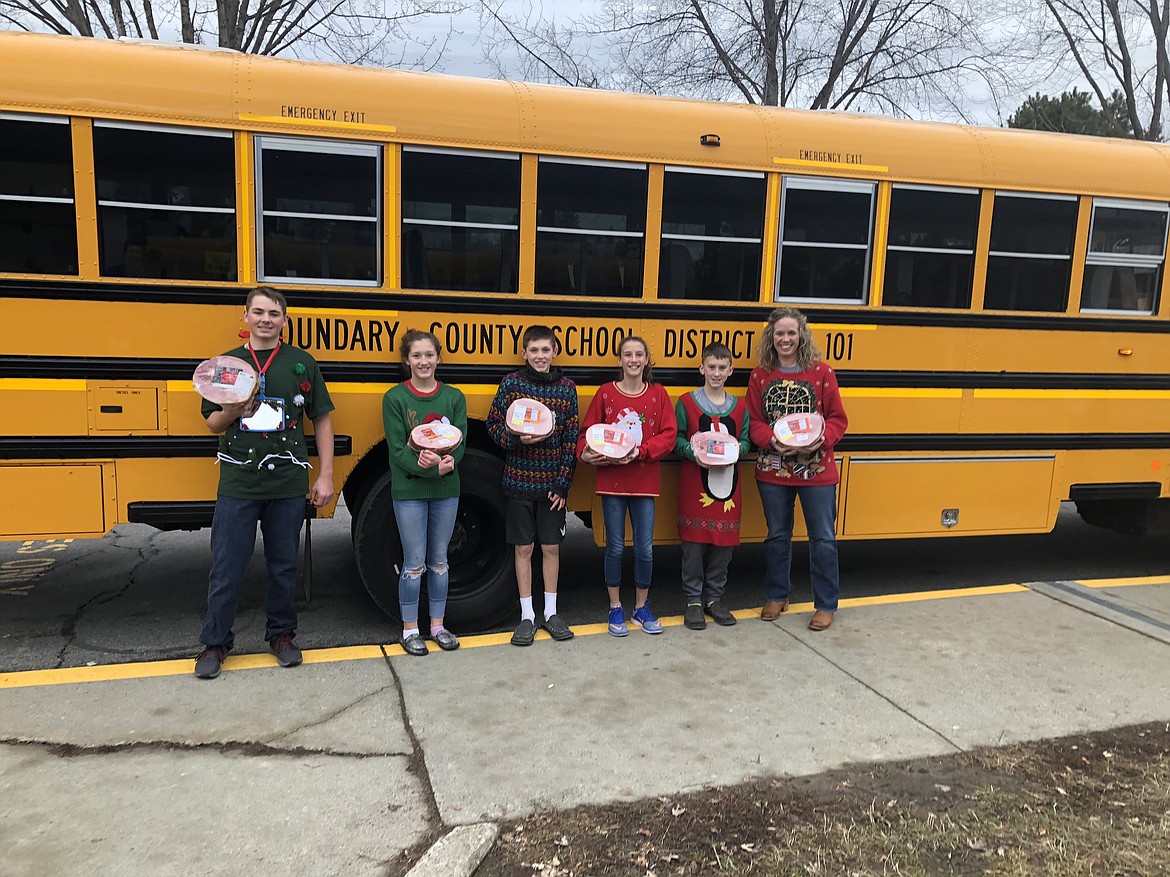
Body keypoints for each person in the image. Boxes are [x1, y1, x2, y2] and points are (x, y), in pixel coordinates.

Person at [194, 287, 335, 679]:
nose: (266, 319)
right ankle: (215, 641)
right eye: (258, 312)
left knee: (283, 566)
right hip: (239, 481)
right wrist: (233, 409)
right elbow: (211, 423)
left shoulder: (302, 363)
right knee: (227, 566)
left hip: (288, 482)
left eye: (274, 313)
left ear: (284, 320)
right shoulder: (227, 364)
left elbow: (321, 419)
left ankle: (281, 634)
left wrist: (325, 474)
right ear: (245, 316)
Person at [747, 307, 848, 631]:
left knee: (823, 538)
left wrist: (819, 441)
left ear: (801, 335)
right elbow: (755, 422)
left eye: (791, 333)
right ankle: (777, 594)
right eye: (779, 333)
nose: (785, 339)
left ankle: (826, 603)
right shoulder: (760, 375)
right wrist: (773, 442)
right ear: (771, 337)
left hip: (817, 470)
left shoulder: (821, 372)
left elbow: (837, 420)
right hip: (773, 468)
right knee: (777, 536)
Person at [577, 336, 677, 636]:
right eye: (627, 355)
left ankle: (641, 607)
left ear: (647, 360)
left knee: (645, 550)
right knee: (616, 548)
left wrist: (641, 451)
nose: (633, 360)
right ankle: (616, 607)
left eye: (639, 355)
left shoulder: (658, 395)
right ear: (619, 360)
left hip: (645, 484)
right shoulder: (606, 394)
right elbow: (586, 436)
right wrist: (587, 454)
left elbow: (669, 435)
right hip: (613, 484)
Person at [486, 325, 579, 646]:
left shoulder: (567, 389)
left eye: (546, 350)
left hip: (551, 487)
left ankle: (551, 613)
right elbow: (493, 424)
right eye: (534, 350)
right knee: (523, 548)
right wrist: (513, 439)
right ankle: (527, 616)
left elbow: (571, 441)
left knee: (551, 547)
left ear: (555, 352)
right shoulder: (512, 384)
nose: (540, 356)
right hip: (519, 482)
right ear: (524, 353)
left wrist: (563, 483)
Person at [381, 330, 468, 656]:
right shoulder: (395, 399)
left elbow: (460, 443)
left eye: (429, 355)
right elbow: (398, 452)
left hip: (447, 490)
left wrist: (447, 462)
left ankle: (437, 625)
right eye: (417, 356)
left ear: (438, 358)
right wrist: (433, 468)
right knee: (414, 562)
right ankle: (410, 629)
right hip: (410, 491)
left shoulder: (454, 397)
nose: (423, 361)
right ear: (407, 360)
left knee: (440, 562)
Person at [674, 342, 751, 630]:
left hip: (728, 485)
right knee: (693, 546)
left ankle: (715, 597)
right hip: (695, 484)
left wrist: (735, 452)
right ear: (702, 368)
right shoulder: (686, 402)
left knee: (723, 545)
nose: (716, 373)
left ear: (730, 370)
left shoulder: (740, 407)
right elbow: (677, 438)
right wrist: (693, 453)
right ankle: (693, 599)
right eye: (711, 367)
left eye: (722, 368)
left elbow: (745, 441)